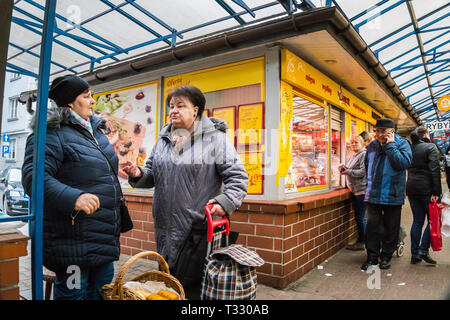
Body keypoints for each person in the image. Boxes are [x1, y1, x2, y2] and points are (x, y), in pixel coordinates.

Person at [123, 85, 248, 299]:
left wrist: (224, 203)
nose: (173, 110)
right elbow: (151, 173)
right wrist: (137, 173)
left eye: (180, 106)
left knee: (190, 289)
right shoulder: (163, 140)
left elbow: (238, 177)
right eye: (171, 106)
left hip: (196, 229)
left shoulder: (215, 140)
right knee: (167, 285)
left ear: (196, 110)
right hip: (164, 227)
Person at [22, 75, 122, 300]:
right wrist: (73, 197)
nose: (93, 101)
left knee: (102, 294)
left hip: (102, 238)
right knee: (73, 295)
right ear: (69, 102)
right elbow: (33, 178)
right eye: (87, 96)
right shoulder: (50, 133)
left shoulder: (96, 133)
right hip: (71, 244)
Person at [361, 118, 412, 270]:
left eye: (382, 131)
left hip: (393, 193)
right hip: (373, 194)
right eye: (377, 131)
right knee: (372, 227)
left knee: (391, 228)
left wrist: (390, 146)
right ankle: (372, 257)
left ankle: (386, 257)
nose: (379, 134)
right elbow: (366, 165)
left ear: (391, 131)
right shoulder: (372, 145)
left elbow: (403, 163)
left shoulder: (402, 144)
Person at [407, 127, 441, 265]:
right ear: (426, 134)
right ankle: (423, 250)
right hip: (426, 189)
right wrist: (436, 192)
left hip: (411, 188)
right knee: (433, 220)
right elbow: (434, 170)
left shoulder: (409, 148)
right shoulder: (430, 147)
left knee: (417, 221)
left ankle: (415, 254)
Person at [339, 135, 367, 251]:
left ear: (362, 143)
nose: (353, 144)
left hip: (361, 190)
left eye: (356, 142)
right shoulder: (354, 155)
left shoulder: (363, 154)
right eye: (352, 142)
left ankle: (362, 242)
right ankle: (362, 240)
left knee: (360, 218)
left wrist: (348, 172)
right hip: (355, 190)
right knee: (360, 217)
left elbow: (363, 172)